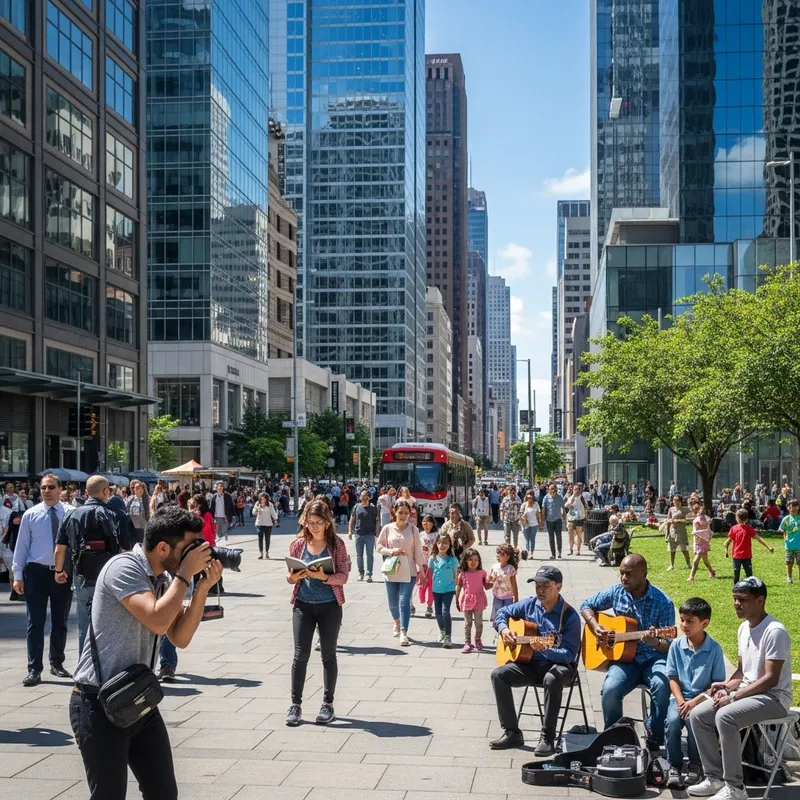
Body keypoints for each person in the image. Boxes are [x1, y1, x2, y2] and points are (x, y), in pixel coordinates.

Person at [70, 506, 222, 799]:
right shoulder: (123, 568)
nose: (195, 554)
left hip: (139, 697)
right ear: (163, 548)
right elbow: (157, 619)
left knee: (163, 792)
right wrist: (184, 575)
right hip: (97, 701)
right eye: (189, 548)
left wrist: (202, 587)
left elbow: (179, 637)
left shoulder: (162, 578)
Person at [687, 578, 792, 800]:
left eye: (742, 599)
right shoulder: (743, 628)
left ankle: (735, 787)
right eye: (734, 598)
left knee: (725, 716)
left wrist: (734, 697)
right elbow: (742, 672)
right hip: (748, 693)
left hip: (774, 698)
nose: (736, 603)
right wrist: (726, 686)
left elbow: (770, 679)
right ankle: (714, 778)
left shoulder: (775, 631)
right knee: (698, 715)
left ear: (760, 601)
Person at [580, 554, 675, 747]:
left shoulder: (663, 602)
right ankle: (613, 736)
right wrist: (595, 626)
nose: (624, 578)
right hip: (624, 660)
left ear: (644, 573)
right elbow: (586, 606)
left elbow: (668, 643)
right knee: (610, 688)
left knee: (662, 684)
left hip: (653, 658)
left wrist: (655, 642)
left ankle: (654, 735)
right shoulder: (617, 592)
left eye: (629, 574)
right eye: (621, 573)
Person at [490, 565, 582, 753]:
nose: (540, 590)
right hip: (530, 664)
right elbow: (502, 613)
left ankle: (548, 737)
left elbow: (569, 655)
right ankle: (512, 733)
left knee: (552, 678)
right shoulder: (529, 605)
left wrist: (546, 650)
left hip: (560, 667)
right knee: (498, 675)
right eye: (537, 586)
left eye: (545, 586)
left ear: (558, 587)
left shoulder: (569, 616)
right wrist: (504, 630)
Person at [285, 499, 349, 726]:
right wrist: (293, 577)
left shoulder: (337, 545)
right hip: (303, 605)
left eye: (318, 523)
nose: (313, 527)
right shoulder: (297, 545)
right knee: (300, 655)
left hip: (330, 606)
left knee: (328, 655)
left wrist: (324, 577)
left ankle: (327, 704)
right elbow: (290, 576)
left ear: (327, 523)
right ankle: (295, 705)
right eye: (310, 522)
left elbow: (343, 576)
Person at [54, 475, 128, 657]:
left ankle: (85, 667)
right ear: (106, 491)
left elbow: (59, 549)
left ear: (86, 493)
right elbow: (126, 549)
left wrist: (58, 570)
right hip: (110, 576)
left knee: (84, 625)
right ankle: (107, 666)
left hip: (82, 575)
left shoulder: (71, 515)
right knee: (110, 624)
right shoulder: (115, 514)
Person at [11, 473, 74, 686]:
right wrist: (17, 575)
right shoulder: (31, 515)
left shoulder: (70, 513)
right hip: (36, 572)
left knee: (60, 621)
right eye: (43, 487)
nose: (46, 491)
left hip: (62, 573)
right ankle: (34, 669)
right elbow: (21, 546)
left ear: (60, 489)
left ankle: (57, 663)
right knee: (35, 622)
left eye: (51, 487)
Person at [664, 597, 726, 789]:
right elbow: (672, 677)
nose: (684, 625)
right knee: (672, 721)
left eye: (690, 621)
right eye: (682, 619)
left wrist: (694, 703)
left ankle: (696, 764)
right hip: (680, 698)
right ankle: (674, 764)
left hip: (703, 700)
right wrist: (681, 701)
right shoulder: (676, 645)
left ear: (704, 623)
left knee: (694, 721)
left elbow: (717, 686)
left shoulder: (714, 649)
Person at [376, 498, 426, 646]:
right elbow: (379, 547)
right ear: (395, 513)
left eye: (406, 513)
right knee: (393, 604)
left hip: (409, 570)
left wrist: (422, 569)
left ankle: (404, 632)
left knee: (404, 601)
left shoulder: (413, 529)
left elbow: (417, 550)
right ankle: (397, 622)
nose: (403, 516)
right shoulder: (387, 528)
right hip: (392, 569)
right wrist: (391, 551)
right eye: (401, 513)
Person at [456, 547, 491, 653]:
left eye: (476, 560)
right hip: (467, 600)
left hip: (479, 600)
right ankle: (467, 642)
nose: (473, 562)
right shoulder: (463, 574)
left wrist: (492, 582)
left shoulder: (482, 573)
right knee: (468, 623)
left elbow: (487, 586)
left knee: (479, 622)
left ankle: (477, 639)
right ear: (465, 561)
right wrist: (457, 599)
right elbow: (458, 586)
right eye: (470, 559)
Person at [725, 508, 774, 583]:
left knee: (744, 574)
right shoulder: (735, 529)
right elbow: (758, 538)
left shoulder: (747, 529)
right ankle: (738, 587)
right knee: (741, 574)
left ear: (737, 518)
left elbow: (726, 543)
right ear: (747, 519)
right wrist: (769, 547)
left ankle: (748, 586)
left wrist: (768, 547)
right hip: (739, 556)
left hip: (743, 556)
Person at [428, 532, 458, 648]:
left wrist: (457, 587)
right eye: (439, 542)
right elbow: (429, 574)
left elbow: (456, 575)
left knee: (445, 611)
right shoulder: (433, 558)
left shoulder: (453, 559)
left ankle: (448, 637)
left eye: (445, 542)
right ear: (436, 544)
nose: (442, 545)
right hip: (436, 589)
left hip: (449, 589)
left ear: (449, 545)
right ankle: (442, 630)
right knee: (438, 613)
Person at [348, 489, 380, 582]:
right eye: (360, 495)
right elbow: (352, 520)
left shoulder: (374, 508)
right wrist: (350, 531)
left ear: (368, 497)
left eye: (362, 495)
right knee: (359, 555)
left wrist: (377, 532)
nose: (360, 496)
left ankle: (369, 574)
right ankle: (361, 573)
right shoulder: (356, 507)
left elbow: (377, 521)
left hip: (370, 535)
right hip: (359, 534)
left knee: (370, 555)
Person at [488, 544, 518, 629]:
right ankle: (498, 626)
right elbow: (490, 581)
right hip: (497, 595)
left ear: (507, 557)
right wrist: (490, 579)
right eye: (498, 553)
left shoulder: (510, 569)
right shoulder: (494, 567)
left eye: (501, 554)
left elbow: (514, 584)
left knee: (507, 612)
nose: (498, 555)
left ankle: (506, 627)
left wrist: (516, 598)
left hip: (508, 595)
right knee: (497, 611)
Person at [688, 501, 715, 582]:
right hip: (698, 542)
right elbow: (695, 530)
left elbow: (708, 530)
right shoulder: (696, 520)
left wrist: (705, 534)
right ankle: (712, 571)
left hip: (704, 542)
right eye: (697, 509)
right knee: (705, 560)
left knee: (696, 560)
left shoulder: (706, 519)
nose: (700, 511)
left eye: (700, 509)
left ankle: (691, 576)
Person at [417, 514, 438, 615]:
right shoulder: (420, 534)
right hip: (422, 563)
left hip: (433, 563)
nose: (426, 524)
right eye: (424, 522)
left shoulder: (436, 535)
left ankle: (429, 605)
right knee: (421, 584)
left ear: (433, 523)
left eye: (428, 522)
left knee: (431, 585)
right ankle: (421, 599)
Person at [666, 494, 692, 571]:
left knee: (683, 548)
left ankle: (688, 564)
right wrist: (667, 533)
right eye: (674, 500)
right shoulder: (671, 509)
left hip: (681, 531)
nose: (675, 502)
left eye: (677, 500)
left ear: (680, 501)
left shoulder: (685, 509)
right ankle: (671, 565)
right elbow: (668, 520)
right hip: (673, 531)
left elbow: (690, 518)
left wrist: (680, 520)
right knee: (672, 549)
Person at [542, 482, 566, 559]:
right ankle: (553, 554)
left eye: (554, 489)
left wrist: (564, 519)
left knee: (559, 536)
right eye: (551, 489)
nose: (553, 490)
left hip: (558, 520)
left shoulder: (560, 497)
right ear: (549, 490)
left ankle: (559, 552)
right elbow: (544, 509)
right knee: (551, 537)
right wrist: (542, 520)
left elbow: (563, 509)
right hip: (549, 520)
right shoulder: (546, 498)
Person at [779, 498, 800, 584]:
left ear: (798, 507)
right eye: (791, 507)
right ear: (788, 508)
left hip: (799, 546)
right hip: (789, 546)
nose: (794, 508)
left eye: (796, 506)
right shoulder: (786, 519)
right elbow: (781, 529)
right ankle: (789, 578)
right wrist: (781, 531)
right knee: (789, 563)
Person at [254, 492, 279, 559]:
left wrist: (276, 520)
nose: (263, 500)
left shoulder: (270, 504)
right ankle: (261, 553)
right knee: (260, 538)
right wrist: (257, 509)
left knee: (267, 539)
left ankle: (267, 552)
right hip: (259, 523)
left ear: (266, 499)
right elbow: (253, 512)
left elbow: (273, 513)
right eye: (261, 499)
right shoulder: (257, 503)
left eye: (264, 499)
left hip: (268, 524)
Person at [564, 484, 588, 556]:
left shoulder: (582, 498)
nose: (576, 491)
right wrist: (573, 499)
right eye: (575, 489)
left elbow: (587, 507)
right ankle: (571, 550)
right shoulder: (570, 498)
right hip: (571, 519)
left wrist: (585, 513)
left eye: (578, 489)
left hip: (579, 519)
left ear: (580, 490)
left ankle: (578, 550)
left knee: (579, 535)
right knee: (570, 535)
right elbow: (567, 506)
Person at [521, 490, 542, 556]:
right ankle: (528, 552)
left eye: (531, 496)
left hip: (534, 524)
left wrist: (540, 523)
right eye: (528, 497)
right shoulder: (524, 504)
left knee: (532, 539)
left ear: (533, 497)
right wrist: (523, 516)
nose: (529, 498)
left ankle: (531, 553)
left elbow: (538, 514)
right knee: (527, 539)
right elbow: (520, 514)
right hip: (525, 524)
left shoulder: (536, 504)